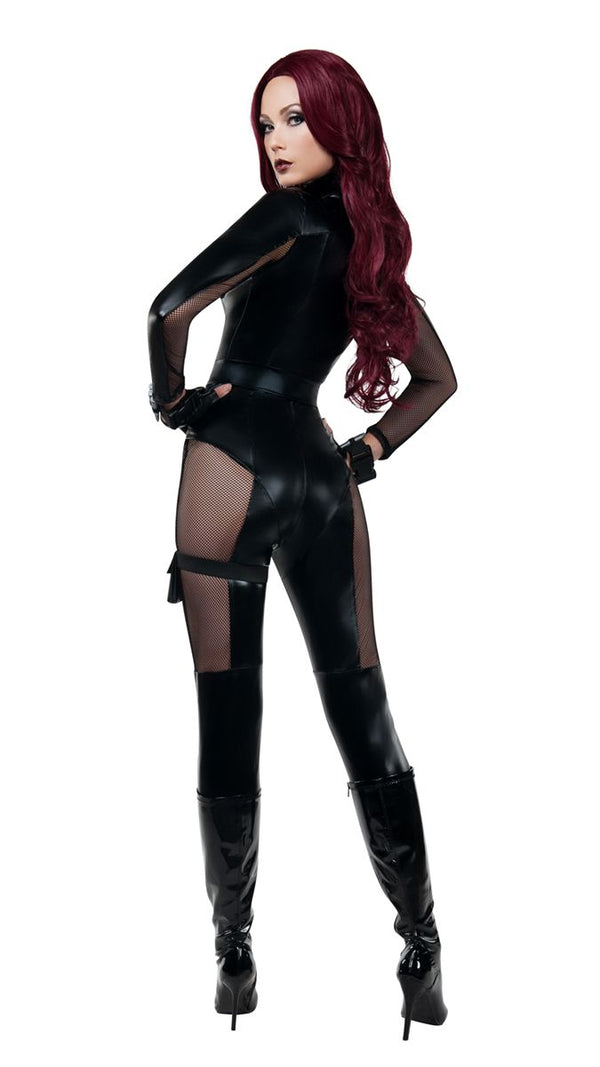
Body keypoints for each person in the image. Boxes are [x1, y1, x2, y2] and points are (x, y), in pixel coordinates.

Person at [147, 49, 457, 1040]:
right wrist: (366, 450)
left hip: (228, 473)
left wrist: (173, 403)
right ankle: (422, 952)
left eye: (295, 119)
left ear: (338, 122)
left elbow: (168, 308)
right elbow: (440, 378)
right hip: (323, 480)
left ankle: (234, 957)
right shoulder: (369, 245)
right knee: (364, 708)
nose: (277, 140)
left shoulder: (283, 218)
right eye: (266, 122)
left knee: (229, 711)